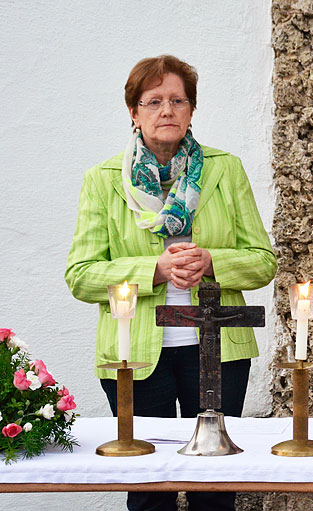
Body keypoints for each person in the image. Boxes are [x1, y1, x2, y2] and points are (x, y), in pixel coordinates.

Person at [65, 55, 277, 511]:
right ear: (134, 112)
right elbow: (80, 276)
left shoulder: (225, 170)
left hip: (217, 348)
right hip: (136, 356)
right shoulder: (104, 180)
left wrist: (212, 261)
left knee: (215, 488)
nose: (167, 110)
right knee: (147, 490)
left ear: (191, 110)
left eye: (178, 100)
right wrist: (153, 271)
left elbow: (264, 262)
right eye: (154, 101)